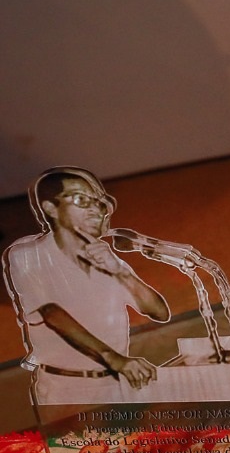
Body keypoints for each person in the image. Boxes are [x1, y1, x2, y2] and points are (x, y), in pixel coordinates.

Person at [3, 167, 171, 404]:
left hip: (118, 384)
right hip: (65, 390)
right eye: (81, 200)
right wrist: (115, 359)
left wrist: (120, 272)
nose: (95, 209)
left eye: (99, 203)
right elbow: (51, 313)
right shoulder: (28, 255)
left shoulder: (106, 256)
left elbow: (159, 312)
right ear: (51, 208)